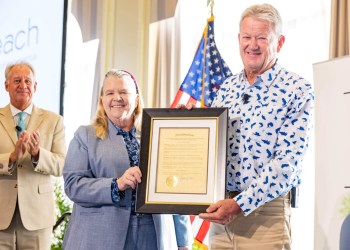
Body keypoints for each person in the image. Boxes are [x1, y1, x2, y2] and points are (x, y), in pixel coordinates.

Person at [180, 3, 314, 249]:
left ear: (279, 42)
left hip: (265, 219)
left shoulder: (297, 89)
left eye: (262, 38)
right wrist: (188, 125)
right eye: (247, 37)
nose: (252, 45)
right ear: (238, 39)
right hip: (221, 216)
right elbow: (213, 148)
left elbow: (287, 164)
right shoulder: (226, 89)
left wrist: (240, 204)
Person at [63, 69, 192, 250]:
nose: (117, 98)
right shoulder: (85, 135)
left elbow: (174, 185)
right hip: (102, 236)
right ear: (102, 100)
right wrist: (116, 184)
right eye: (110, 93)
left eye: (123, 92)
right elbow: (73, 185)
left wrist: (183, 239)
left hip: (153, 234)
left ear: (137, 99)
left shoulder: (158, 133)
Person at [0, 61, 66, 249]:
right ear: (6, 85)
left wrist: (37, 154)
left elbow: (61, 164)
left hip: (37, 219)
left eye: (28, 81)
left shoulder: (54, 121)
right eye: (17, 80)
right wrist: (11, 158)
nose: (23, 86)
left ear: (35, 87)